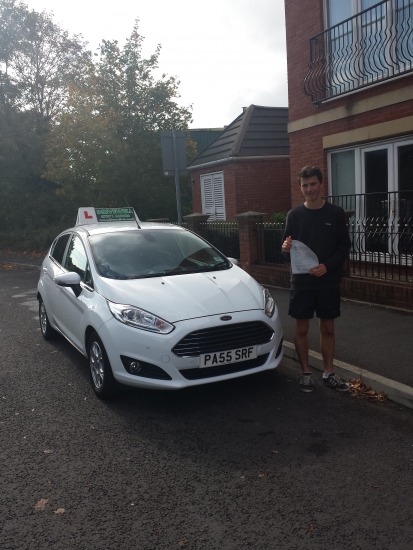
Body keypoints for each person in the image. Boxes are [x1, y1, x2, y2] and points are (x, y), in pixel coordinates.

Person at [282, 166, 351, 393]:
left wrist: (327, 266)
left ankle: (329, 373)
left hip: (327, 281)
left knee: (327, 328)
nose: (309, 189)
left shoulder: (335, 214)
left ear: (321, 184)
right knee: (301, 328)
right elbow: (287, 248)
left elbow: (343, 247)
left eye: (313, 184)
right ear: (300, 187)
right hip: (301, 282)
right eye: (304, 185)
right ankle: (305, 373)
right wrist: (284, 247)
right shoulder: (294, 215)